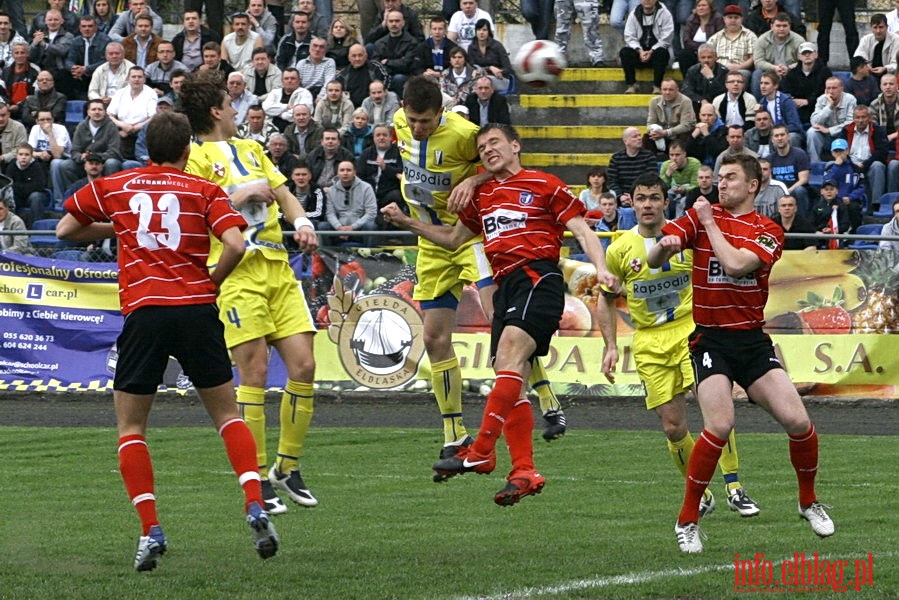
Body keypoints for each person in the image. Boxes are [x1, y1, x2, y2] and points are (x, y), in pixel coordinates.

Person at [55, 110, 279, 571]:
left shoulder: (117, 185)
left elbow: (65, 229)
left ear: (146, 149)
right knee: (226, 414)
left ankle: (151, 530)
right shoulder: (204, 189)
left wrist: (121, 228)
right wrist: (212, 282)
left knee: (132, 428)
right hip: (196, 309)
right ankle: (255, 502)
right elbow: (236, 244)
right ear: (185, 152)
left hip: (146, 312)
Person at [381, 122, 618, 504]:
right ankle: (524, 470)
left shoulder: (544, 183)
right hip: (506, 284)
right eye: (483, 146)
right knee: (511, 376)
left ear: (515, 146)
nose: (488, 149)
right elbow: (453, 239)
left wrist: (601, 267)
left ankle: (481, 451)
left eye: (495, 142)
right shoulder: (483, 194)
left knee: (508, 357)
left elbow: (582, 230)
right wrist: (407, 222)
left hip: (537, 277)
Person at [648, 153, 834, 554]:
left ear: (753, 185)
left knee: (799, 421)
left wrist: (708, 223)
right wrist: (662, 247)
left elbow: (735, 266)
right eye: (719, 177)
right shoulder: (701, 216)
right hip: (711, 340)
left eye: (731, 177)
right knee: (720, 425)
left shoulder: (766, 229)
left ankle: (808, 502)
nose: (721, 183)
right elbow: (655, 255)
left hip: (751, 341)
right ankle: (687, 520)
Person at [392, 77, 571, 482]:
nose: (418, 127)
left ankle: (548, 399)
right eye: (413, 119)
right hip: (433, 242)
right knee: (434, 338)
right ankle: (453, 432)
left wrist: (473, 179)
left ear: (442, 112)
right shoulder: (397, 123)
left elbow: (498, 167)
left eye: (426, 121)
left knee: (504, 320)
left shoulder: (465, 134)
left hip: (471, 236)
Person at [180, 70, 320, 515]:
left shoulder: (252, 147)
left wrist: (301, 222)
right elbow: (198, 209)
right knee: (254, 372)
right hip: (237, 272)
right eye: (231, 103)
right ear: (216, 111)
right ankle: (257, 474)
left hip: (278, 266)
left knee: (305, 364)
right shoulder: (195, 156)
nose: (238, 110)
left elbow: (281, 191)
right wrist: (241, 194)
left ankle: (287, 466)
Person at [597, 172, 759, 524]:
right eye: (641, 198)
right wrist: (609, 345)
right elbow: (606, 298)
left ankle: (735, 485)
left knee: (716, 411)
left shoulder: (688, 238)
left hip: (691, 331)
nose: (648, 204)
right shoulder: (620, 249)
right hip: (648, 341)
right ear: (632, 202)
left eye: (655, 197)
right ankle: (701, 492)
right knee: (672, 427)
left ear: (665, 202)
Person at [51, 98, 122, 197]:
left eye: (100, 109)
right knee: (65, 165)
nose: (97, 112)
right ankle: (74, 196)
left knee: (112, 163)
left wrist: (95, 157)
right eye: (93, 109)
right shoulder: (81, 126)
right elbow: (74, 150)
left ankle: (107, 196)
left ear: (105, 112)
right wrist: (81, 157)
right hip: (85, 162)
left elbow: (114, 151)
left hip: (104, 161)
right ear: (88, 112)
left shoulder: (111, 126)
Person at [620, 0, 674, 94]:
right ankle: (631, 85)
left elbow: (667, 38)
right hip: (639, 53)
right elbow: (629, 36)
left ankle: (657, 86)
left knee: (662, 52)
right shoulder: (634, 14)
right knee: (625, 52)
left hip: (656, 53)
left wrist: (651, 51)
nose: (647, 0)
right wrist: (640, 51)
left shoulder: (665, 13)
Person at [321, 159, 378, 245]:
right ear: (337, 173)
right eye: (342, 170)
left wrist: (352, 227)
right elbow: (330, 213)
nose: (345, 173)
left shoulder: (366, 188)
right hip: (339, 230)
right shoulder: (331, 190)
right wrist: (339, 228)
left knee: (371, 226)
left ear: (354, 172)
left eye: (349, 170)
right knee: (323, 226)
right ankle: (327, 256)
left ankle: (369, 256)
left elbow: (371, 213)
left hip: (359, 229)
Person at [806, 78, 857, 163]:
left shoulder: (850, 99)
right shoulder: (821, 99)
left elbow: (851, 123)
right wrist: (829, 106)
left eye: (834, 88)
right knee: (812, 132)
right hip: (827, 138)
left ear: (841, 88)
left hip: (844, 136)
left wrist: (829, 130)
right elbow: (814, 122)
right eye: (828, 88)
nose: (830, 91)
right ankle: (815, 164)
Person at [781, 42, 831, 127]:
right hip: (797, 111)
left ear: (816, 54)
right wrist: (792, 101)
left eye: (810, 52)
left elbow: (827, 93)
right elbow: (785, 92)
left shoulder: (825, 72)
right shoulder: (792, 74)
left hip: (817, 110)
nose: (807, 55)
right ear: (799, 56)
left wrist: (808, 101)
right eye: (804, 53)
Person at [61, 15, 110, 101]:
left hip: (98, 75)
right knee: (62, 76)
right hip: (80, 76)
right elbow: (69, 60)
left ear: (96, 27)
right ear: (80, 28)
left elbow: (105, 61)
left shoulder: (105, 40)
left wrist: (86, 69)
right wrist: (73, 68)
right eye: (84, 26)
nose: (87, 29)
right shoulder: (76, 41)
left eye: (90, 26)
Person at [607, 126, 658, 204]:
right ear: (625, 141)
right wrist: (620, 196)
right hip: (622, 198)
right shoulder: (616, 158)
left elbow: (651, 179)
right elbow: (611, 181)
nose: (639, 138)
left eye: (639, 135)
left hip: (643, 196)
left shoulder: (649, 156)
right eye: (635, 136)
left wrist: (635, 196)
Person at [706, 5, 756, 84]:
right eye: (730, 17)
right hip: (718, 71)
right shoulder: (715, 37)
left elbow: (753, 58)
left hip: (740, 70)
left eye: (736, 17)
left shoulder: (750, 36)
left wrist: (739, 67)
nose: (733, 20)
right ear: (724, 19)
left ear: (741, 19)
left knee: (742, 75)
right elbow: (707, 56)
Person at [645, 78, 696, 154]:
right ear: (661, 90)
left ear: (677, 90)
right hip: (661, 135)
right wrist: (653, 131)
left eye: (671, 90)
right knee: (647, 138)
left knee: (685, 136)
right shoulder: (654, 101)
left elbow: (686, 125)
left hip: (677, 135)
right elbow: (650, 123)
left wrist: (666, 132)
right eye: (664, 89)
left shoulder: (685, 101)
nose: (667, 92)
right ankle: (650, 162)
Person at [768, 124, 810, 216]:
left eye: (782, 135)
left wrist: (787, 191)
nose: (779, 138)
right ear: (772, 140)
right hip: (777, 192)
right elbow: (769, 181)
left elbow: (803, 179)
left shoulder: (800, 154)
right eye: (776, 136)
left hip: (794, 190)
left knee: (799, 190)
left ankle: (803, 223)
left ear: (788, 137)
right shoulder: (769, 159)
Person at [6, 143, 50, 227]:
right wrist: (26, 187)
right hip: (18, 197)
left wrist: (18, 187)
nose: (23, 157)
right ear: (16, 156)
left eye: (27, 154)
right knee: (10, 196)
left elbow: (39, 186)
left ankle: (38, 228)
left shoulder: (37, 166)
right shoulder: (11, 166)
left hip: (32, 197)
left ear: (31, 156)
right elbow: (9, 185)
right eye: (21, 154)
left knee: (36, 196)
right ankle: (11, 227)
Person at [677, 0, 723, 76]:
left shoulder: (718, 19)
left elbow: (719, 38)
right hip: (695, 52)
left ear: (710, 8)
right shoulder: (691, 19)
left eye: (704, 5)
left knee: (708, 57)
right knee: (684, 54)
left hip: (712, 52)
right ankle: (687, 81)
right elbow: (686, 40)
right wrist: (700, 49)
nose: (701, 8)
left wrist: (705, 49)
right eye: (699, 6)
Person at [465, 20, 512, 93]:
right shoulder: (471, 47)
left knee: (482, 83)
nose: (481, 32)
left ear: (489, 32)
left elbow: (508, 68)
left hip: (499, 79)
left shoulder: (497, 46)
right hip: (478, 78)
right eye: (479, 30)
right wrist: (489, 68)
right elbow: (471, 67)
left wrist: (499, 71)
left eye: (484, 30)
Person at [680, 44, 727, 113]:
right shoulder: (692, 70)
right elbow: (686, 90)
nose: (706, 60)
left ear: (716, 58)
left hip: (717, 104)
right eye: (703, 57)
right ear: (698, 58)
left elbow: (723, 92)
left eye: (709, 57)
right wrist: (701, 100)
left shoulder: (723, 71)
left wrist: (711, 78)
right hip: (698, 103)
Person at [659, 140, 700, 217]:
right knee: (662, 197)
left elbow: (697, 186)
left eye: (677, 155)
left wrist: (684, 189)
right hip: (673, 190)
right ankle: (664, 222)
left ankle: (678, 222)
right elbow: (660, 188)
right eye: (671, 155)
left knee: (683, 201)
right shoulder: (665, 165)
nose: (674, 158)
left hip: (689, 191)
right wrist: (668, 175)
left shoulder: (695, 164)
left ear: (684, 154)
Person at [853, 13, 897, 80]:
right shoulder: (866, 40)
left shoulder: (896, 40)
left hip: (891, 76)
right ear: (871, 28)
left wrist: (885, 68)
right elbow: (858, 58)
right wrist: (866, 65)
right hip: (869, 76)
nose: (878, 31)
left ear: (887, 27)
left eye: (881, 27)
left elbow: (897, 63)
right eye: (875, 27)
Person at [298, 36, 336, 100]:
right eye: (315, 46)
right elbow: (297, 84)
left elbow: (329, 83)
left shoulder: (329, 62)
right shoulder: (301, 63)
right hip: (304, 95)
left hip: (322, 96)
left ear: (325, 50)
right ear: (309, 48)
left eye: (321, 47)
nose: (317, 49)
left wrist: (320, 96)